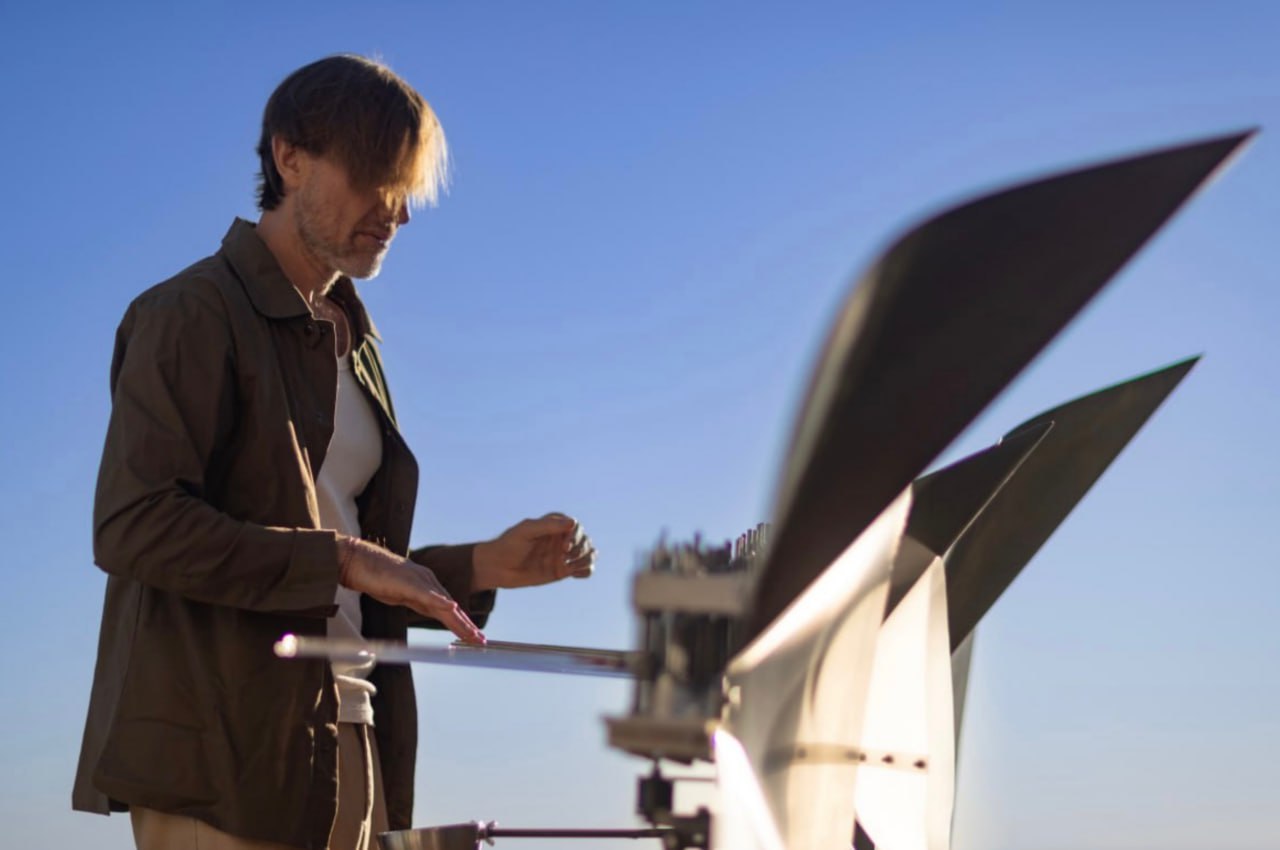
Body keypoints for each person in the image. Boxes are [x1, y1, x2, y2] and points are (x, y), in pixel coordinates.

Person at [72, 54, 596, 850]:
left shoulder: (355, 347)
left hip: (354, 732)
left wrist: (481, 566)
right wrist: (345, 560)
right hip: (227, 762)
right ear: (289, 157)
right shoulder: (189, 314)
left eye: (408, 185)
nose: (400, 212)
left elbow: (335, 549)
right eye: (378, 176)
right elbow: (134, 526)